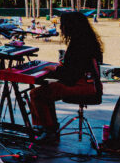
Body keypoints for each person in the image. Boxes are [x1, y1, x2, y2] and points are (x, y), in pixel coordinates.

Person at [28, 10, 103, 141]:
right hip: (92, 85)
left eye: (63, 25)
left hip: (82, 87)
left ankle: (48, 130)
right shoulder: (88, 41)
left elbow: (69, 76)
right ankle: (50, 127)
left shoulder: (78, 45)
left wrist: (54, 70)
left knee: (36, 94)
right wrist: (58, 69)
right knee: (47, 90)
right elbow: (75, 68)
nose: (61, 28)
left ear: (71, 26)